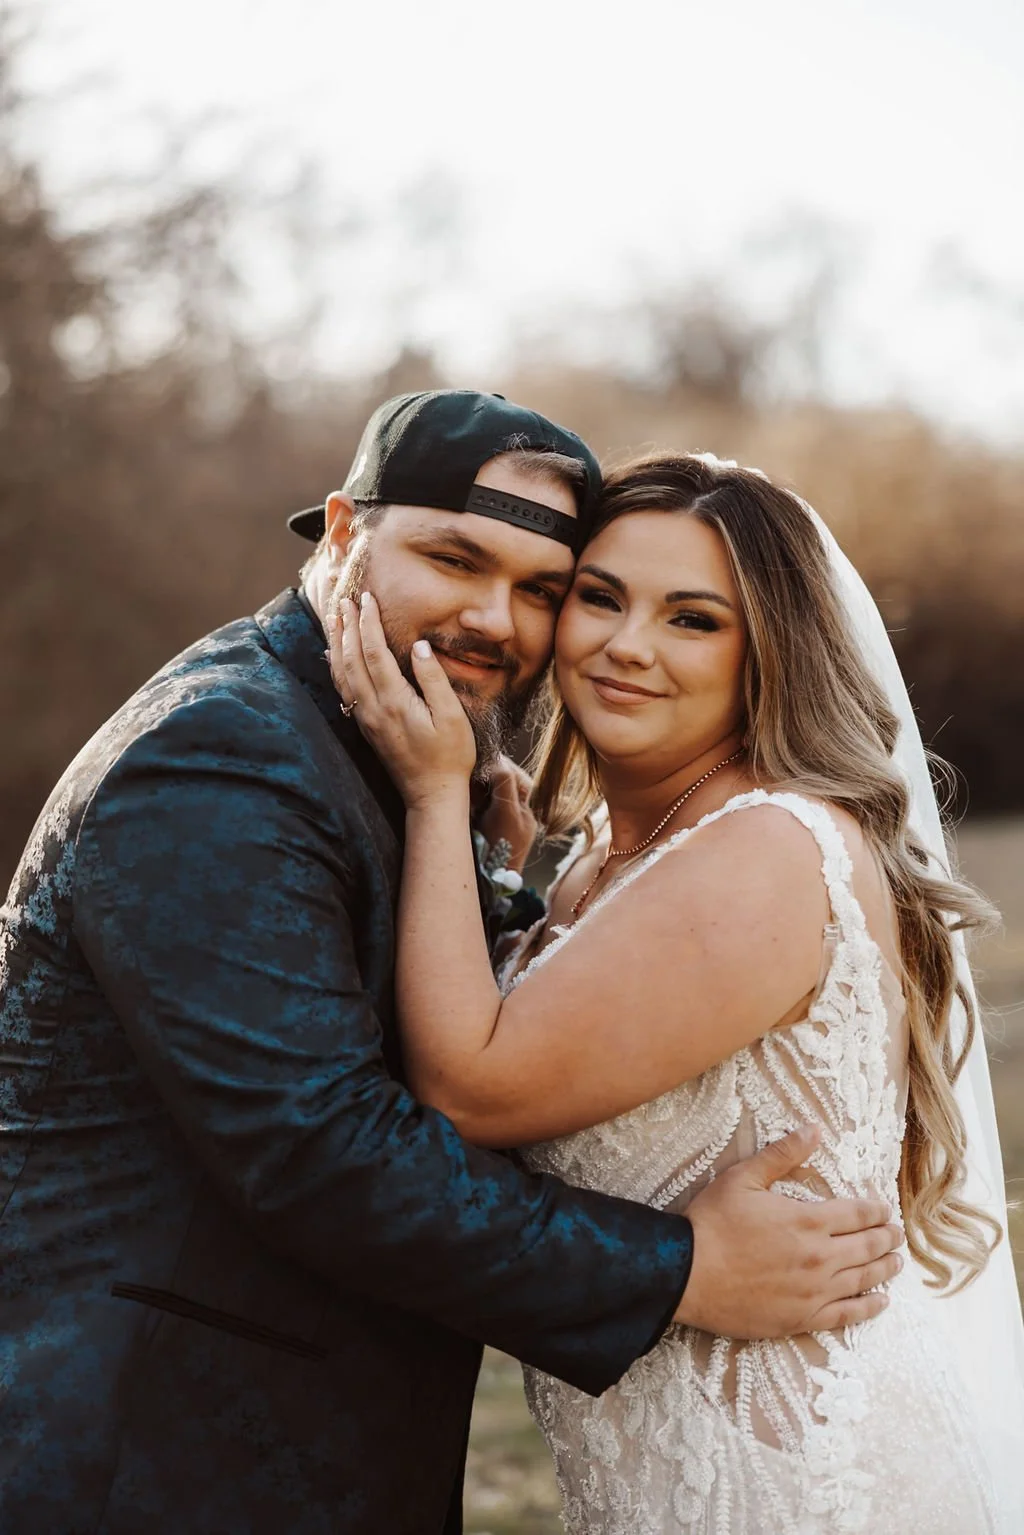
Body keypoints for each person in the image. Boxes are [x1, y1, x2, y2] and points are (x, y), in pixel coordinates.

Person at [0, 396, 903, 1535]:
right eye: (454, 556)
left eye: (540, 588)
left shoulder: (372, 737)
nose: (497, 619)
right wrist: (678, 1268)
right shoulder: (221, 754)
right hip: (146, 1453)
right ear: (340, 532)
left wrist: (488, 885)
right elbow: (319, 1146)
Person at [332, 447, 1024, 1532]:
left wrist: (429, 790)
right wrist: (499, 877)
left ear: (769, 654)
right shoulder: (615, 853)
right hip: (671, 1476)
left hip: (798, 1486)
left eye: (692, 619)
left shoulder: (761, 848)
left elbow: (469, 1087)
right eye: (597, 596)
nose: (625, 644)